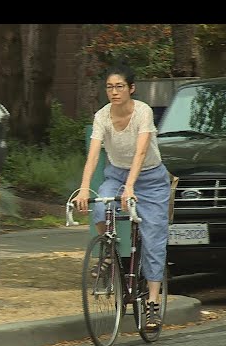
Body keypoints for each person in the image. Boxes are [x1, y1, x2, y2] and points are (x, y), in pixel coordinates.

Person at [73, 63, 171, 330]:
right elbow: (94, 154)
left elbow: (140, 152)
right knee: (99, 207)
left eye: (119, 86)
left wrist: (131, 187)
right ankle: (108, 253)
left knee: (153, 238)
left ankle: (152, 304)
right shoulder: (102, 116)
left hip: (150, 179)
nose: (114, 92)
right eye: (109, 87)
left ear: (131, 89)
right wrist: (84, 188)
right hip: (116, 175)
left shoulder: (143, 112)